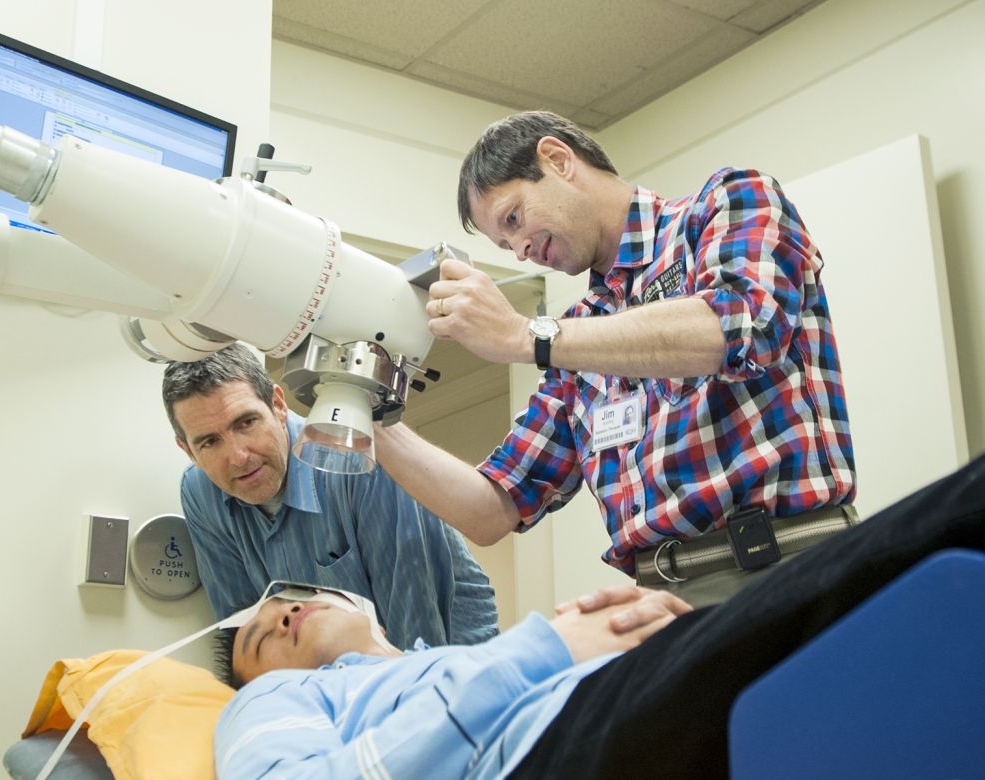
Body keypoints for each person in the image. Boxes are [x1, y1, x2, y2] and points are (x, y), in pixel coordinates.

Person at [213, 453, 985, 779]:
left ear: (363, 603)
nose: (285, 613)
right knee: (921, 546)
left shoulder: (430, 661)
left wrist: (656, 635)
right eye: (260, 635)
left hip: (621, 691)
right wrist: (547, 650)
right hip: (547, 748)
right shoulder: (271, 700)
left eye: (298, 597)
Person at [374, 110, 857, 605]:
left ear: (558, 159)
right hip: (662, 597)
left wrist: (526, 335)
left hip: (782, 570)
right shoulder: (577, 334)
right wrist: (369, 414)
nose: (519, 250)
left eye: (514, 219)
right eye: (504, 243)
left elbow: (736, 325)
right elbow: (492, 508)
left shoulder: (727, 204)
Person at [161, 343, 499, 650]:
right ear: (187, 450)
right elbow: (245, 633)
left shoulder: (360, 453)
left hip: (445, 669)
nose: (238, 456)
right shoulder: (200, 493)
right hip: (328, 686)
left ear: (278, 405)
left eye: (246, 422)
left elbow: (416, 627)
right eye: (209, 442)